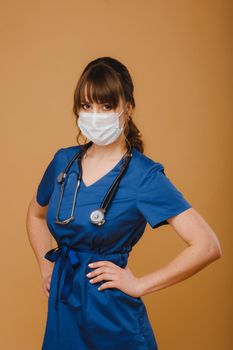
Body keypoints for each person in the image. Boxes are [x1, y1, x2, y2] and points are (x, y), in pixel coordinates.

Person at [26, 56, 222, 350]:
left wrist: (139, 284)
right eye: (86, 105)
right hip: (63, 309)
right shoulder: (63, 163)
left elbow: (207, 245)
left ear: (127, 109)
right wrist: (45, 267)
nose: (95, 114)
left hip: (111, 314)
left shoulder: (143, 176)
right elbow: (36, 215)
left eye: (106, 106)